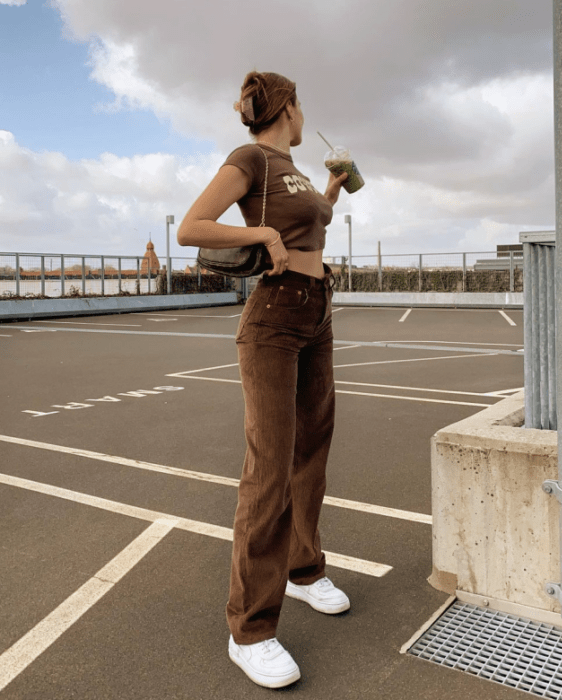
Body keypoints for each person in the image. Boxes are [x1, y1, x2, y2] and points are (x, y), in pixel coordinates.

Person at [177, 71, 350, 689]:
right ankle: (249, 630)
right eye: (302, 106)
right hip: (273, 315)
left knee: (312, 451)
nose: (305, 117)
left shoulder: (296, 172)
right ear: (289, 109)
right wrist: (261, 232)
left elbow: (316, 220)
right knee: (269, 467)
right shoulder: (251, 157)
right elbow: (192, 227)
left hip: (316, 307)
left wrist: (329, 188)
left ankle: (304, 571)